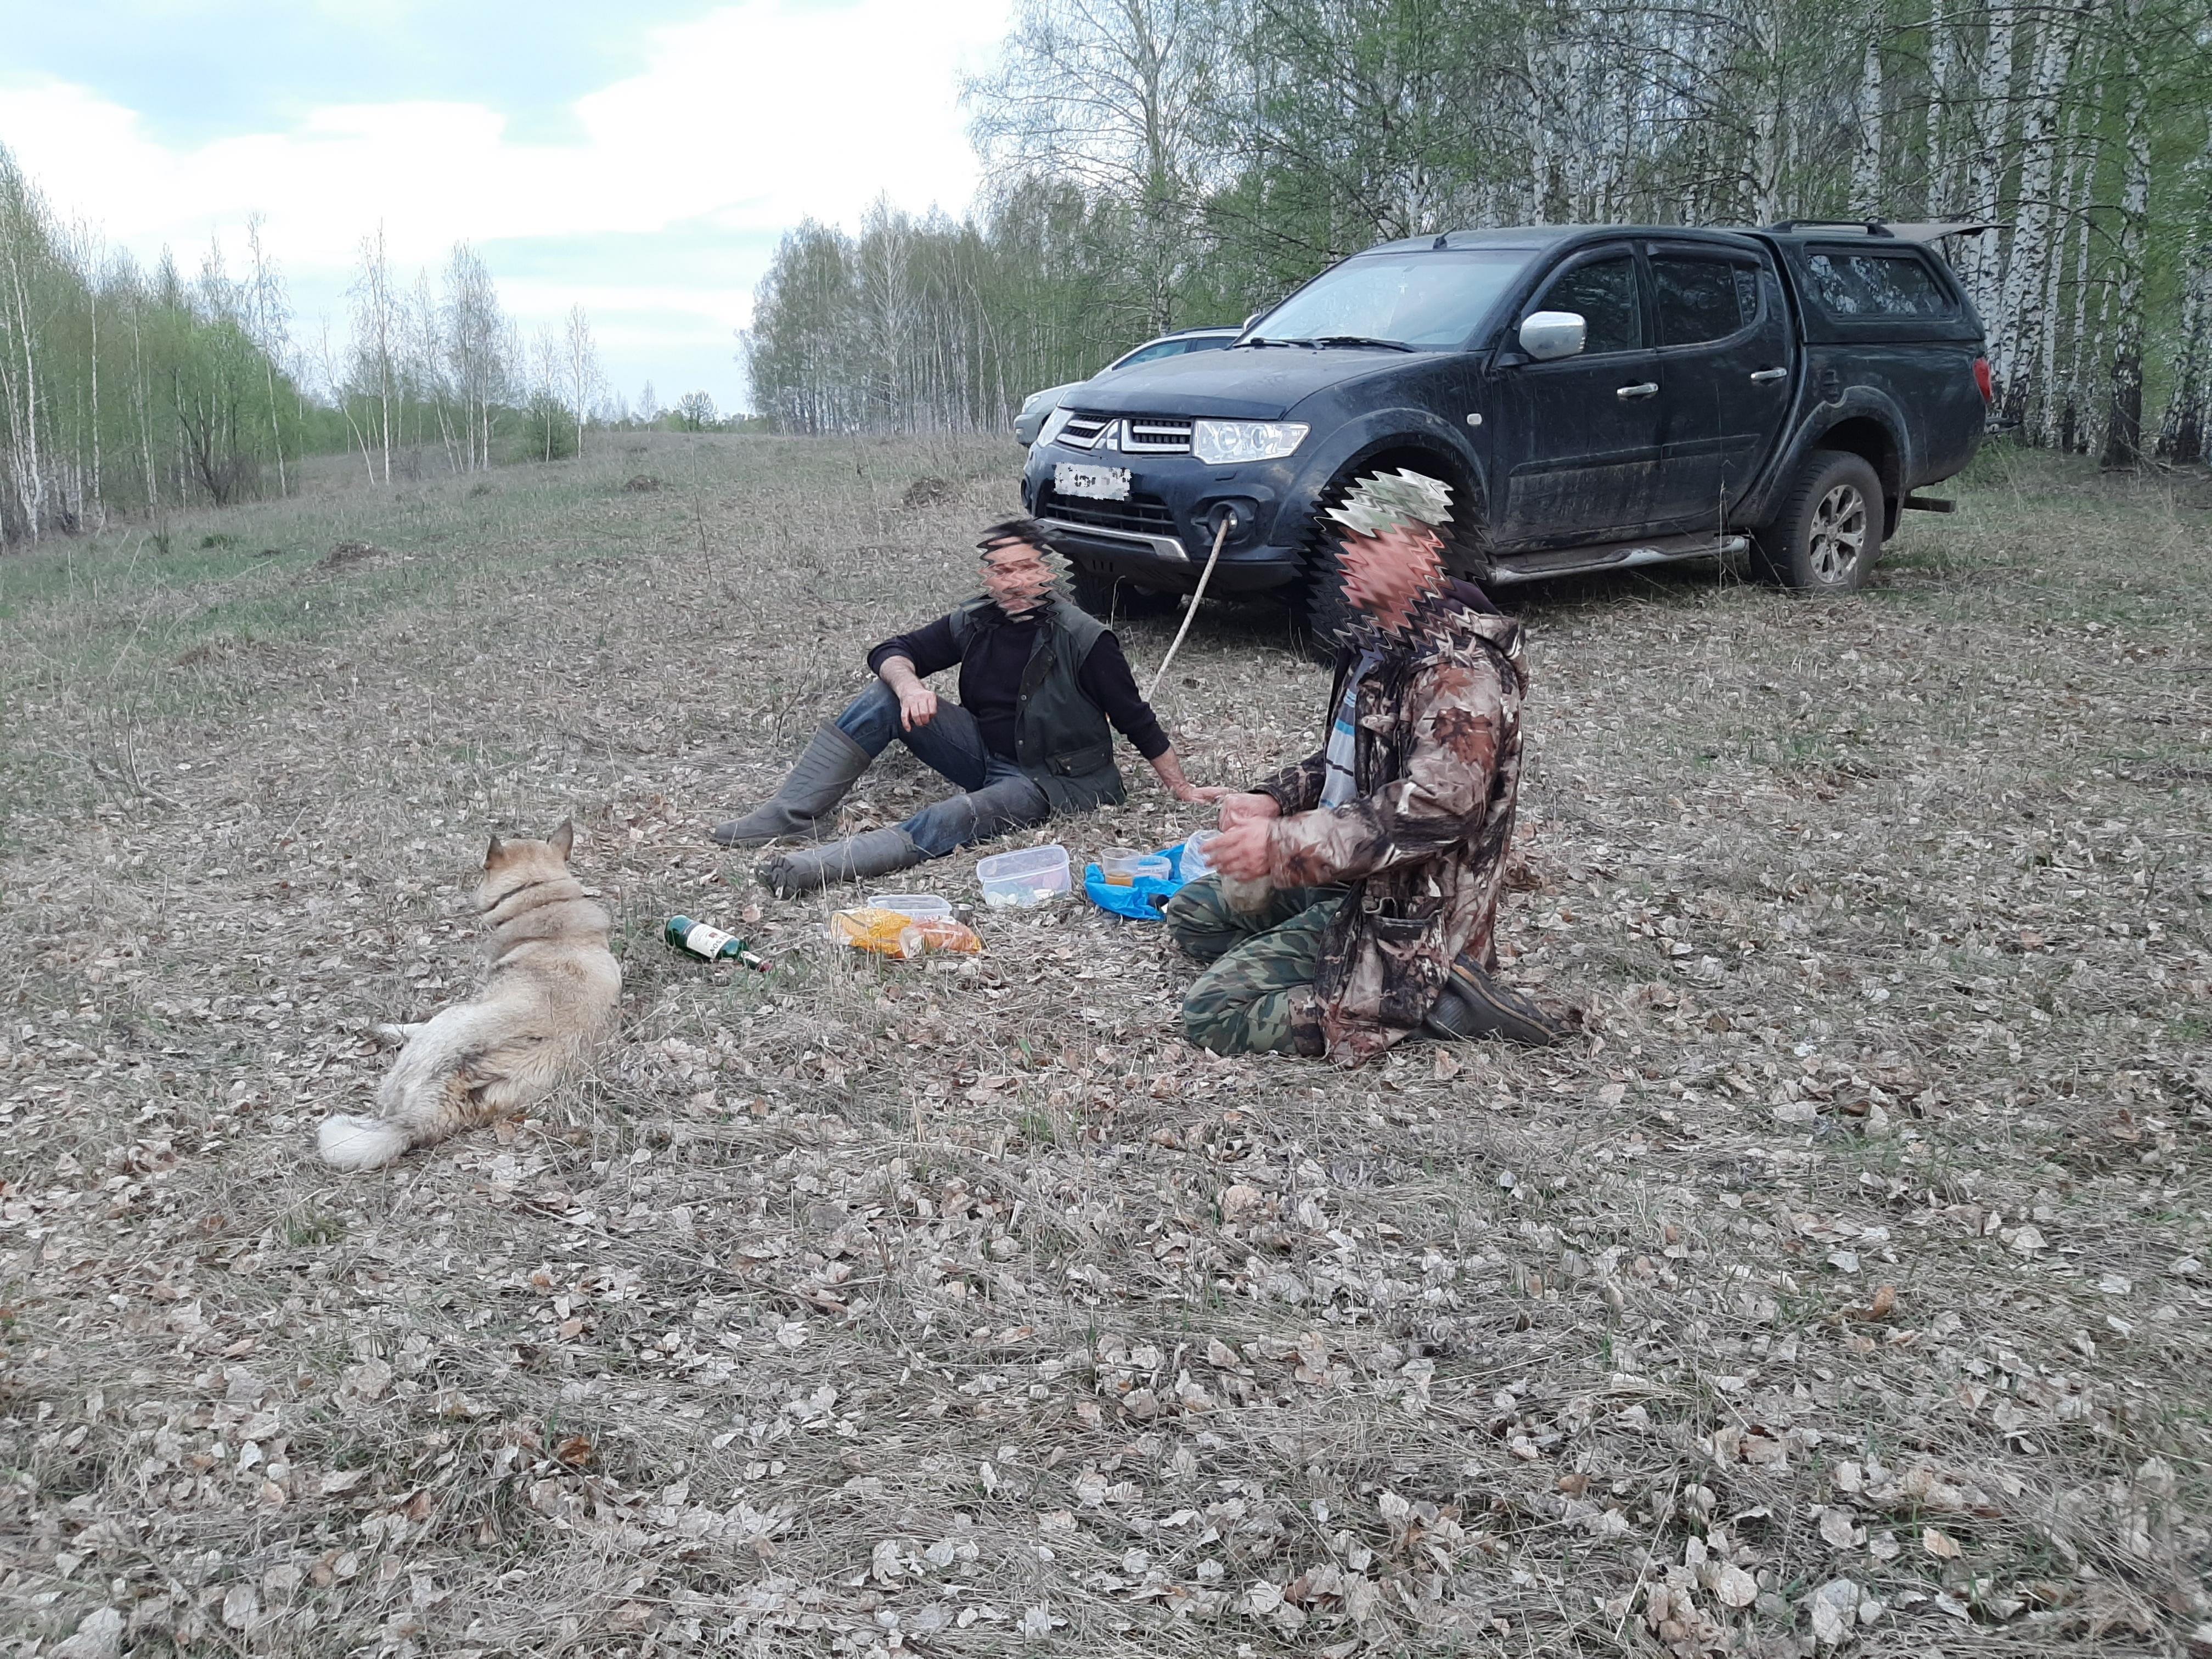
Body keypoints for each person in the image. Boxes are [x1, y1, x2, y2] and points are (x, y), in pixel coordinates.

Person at [1164, 469, 1568, 1060]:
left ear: (1424, 552)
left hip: (1408, 906)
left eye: (1370, 541)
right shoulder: (1380, 645)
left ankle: (1433, 999)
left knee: (1213, 1012)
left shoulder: (1459, 672)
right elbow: (1353, 758)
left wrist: (1282, 845)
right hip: (1343, 872)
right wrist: (1275, 798)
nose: (1348, 556)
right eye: (1348, 540)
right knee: (1193, 916)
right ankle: (1343, 966)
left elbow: (1438, 808)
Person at [712, 518, 1223, 893]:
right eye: (1002, 570)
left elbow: (1135, 718)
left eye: (1026, 568)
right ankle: (791, 814)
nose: (1014, 582)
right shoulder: (977, 620)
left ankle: (816, 867)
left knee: (951, 815)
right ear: (988, 578)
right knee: (886, 692)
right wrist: (910, 688)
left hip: (1049, 779)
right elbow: (892, 651)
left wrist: (1181, 787)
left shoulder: (1084, 637)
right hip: (983, 754)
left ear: (1047, 573)